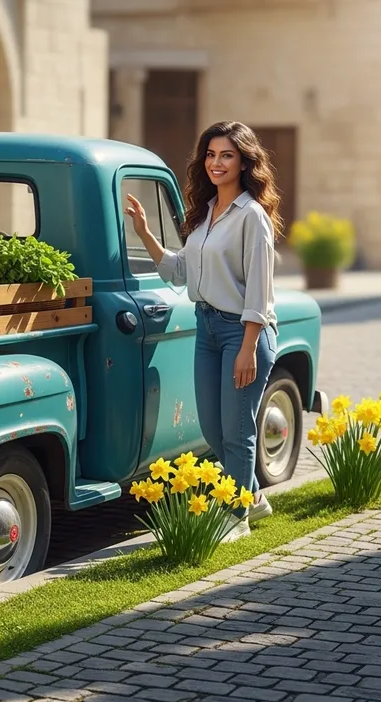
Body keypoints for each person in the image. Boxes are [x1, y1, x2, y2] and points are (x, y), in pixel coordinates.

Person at [125, 120, 282, 541]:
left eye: (227, 155)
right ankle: (253, 496)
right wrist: (144, 234)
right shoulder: (207, 212)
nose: (216, 162)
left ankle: (237, 517)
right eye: (211, 154)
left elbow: (261, 291)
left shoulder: (252, 217)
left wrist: (249, 346)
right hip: (208, 329)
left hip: (242, 334)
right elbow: (180, 271)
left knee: (237, 431)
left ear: (245, 162)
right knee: (213, 430)